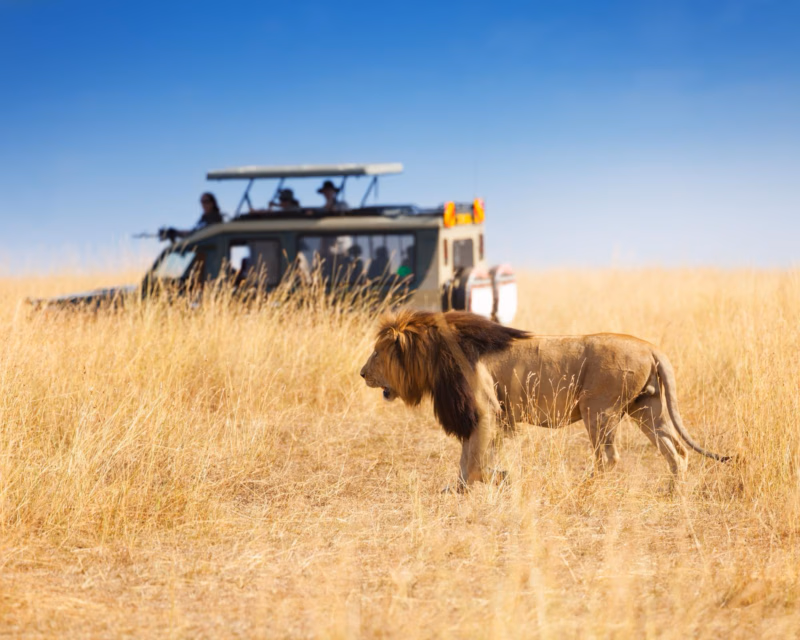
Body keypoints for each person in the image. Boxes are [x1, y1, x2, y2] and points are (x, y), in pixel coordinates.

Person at [159, 192, 224, 242]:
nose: (203, 204)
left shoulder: (216, 219)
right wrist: (175, 233)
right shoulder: (203, 219)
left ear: (213, 203)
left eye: (206, 201)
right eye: (201, 202)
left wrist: (176, 233)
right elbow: (192, 232)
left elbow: (198, 234)